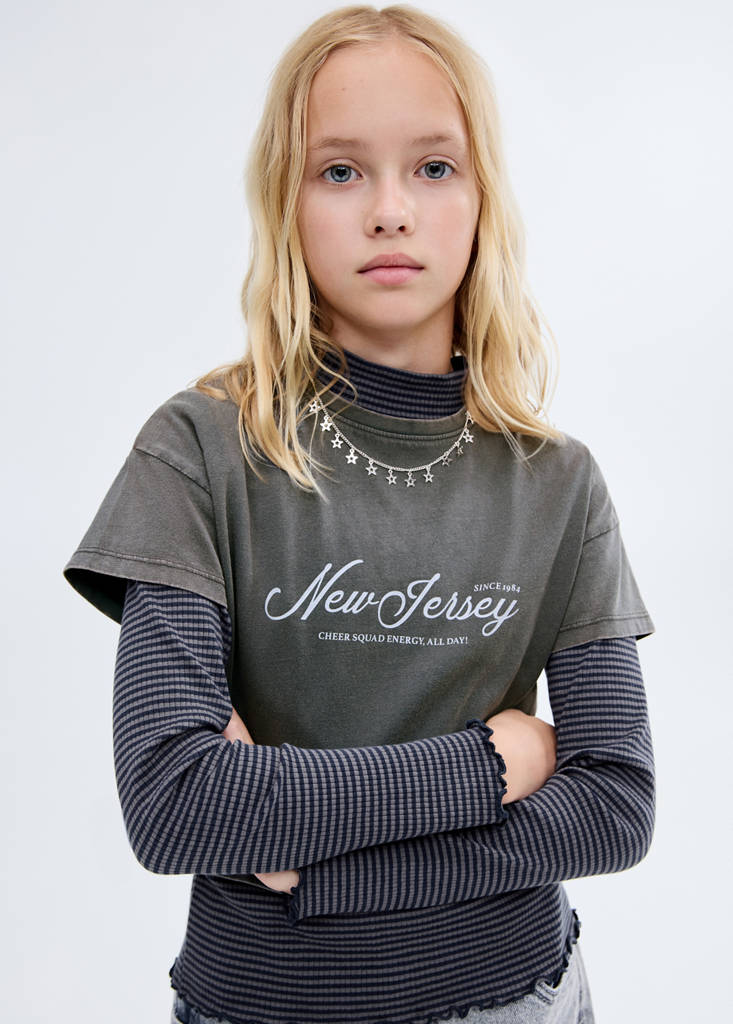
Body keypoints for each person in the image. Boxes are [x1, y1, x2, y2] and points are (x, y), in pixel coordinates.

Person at [62, 5, 655, 1023]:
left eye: (434, 167)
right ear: (284, 202)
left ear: (482, 196)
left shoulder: (559, 482)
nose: (389, 210)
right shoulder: (199, 450)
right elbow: (174, 803)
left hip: (521, 998)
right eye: (339, 171)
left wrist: (320, 863)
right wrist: (495, 762)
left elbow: (612, 806)